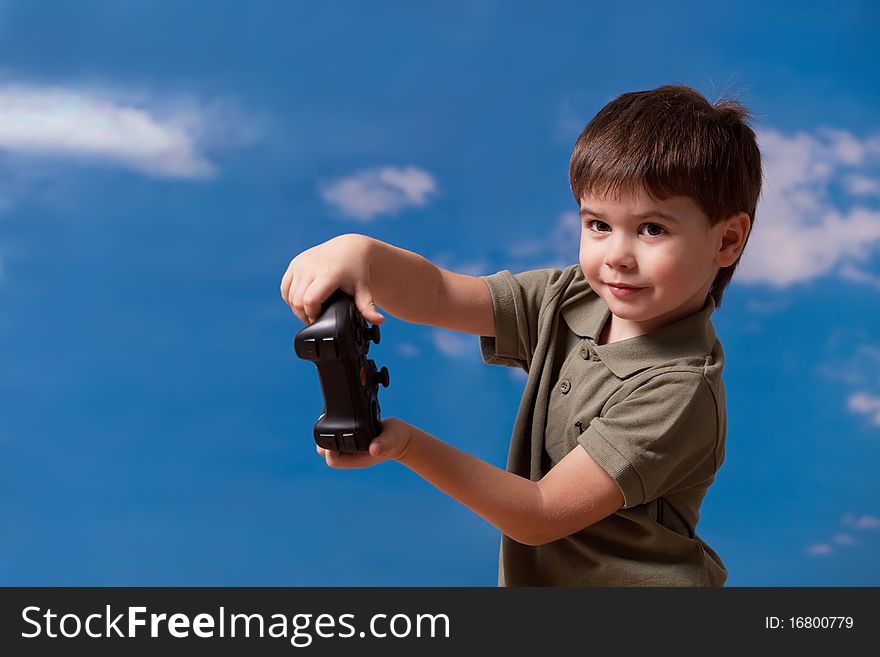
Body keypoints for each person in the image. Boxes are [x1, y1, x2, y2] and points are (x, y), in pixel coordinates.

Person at [279, 83, 761, 586]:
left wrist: (406, 446)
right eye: (598, 224)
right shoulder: (571, 296)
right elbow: (440, 294)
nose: (616, 254)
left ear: (726, 240)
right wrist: (363, 255)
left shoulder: (678, 390)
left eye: (652, 229)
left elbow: (541, 513)